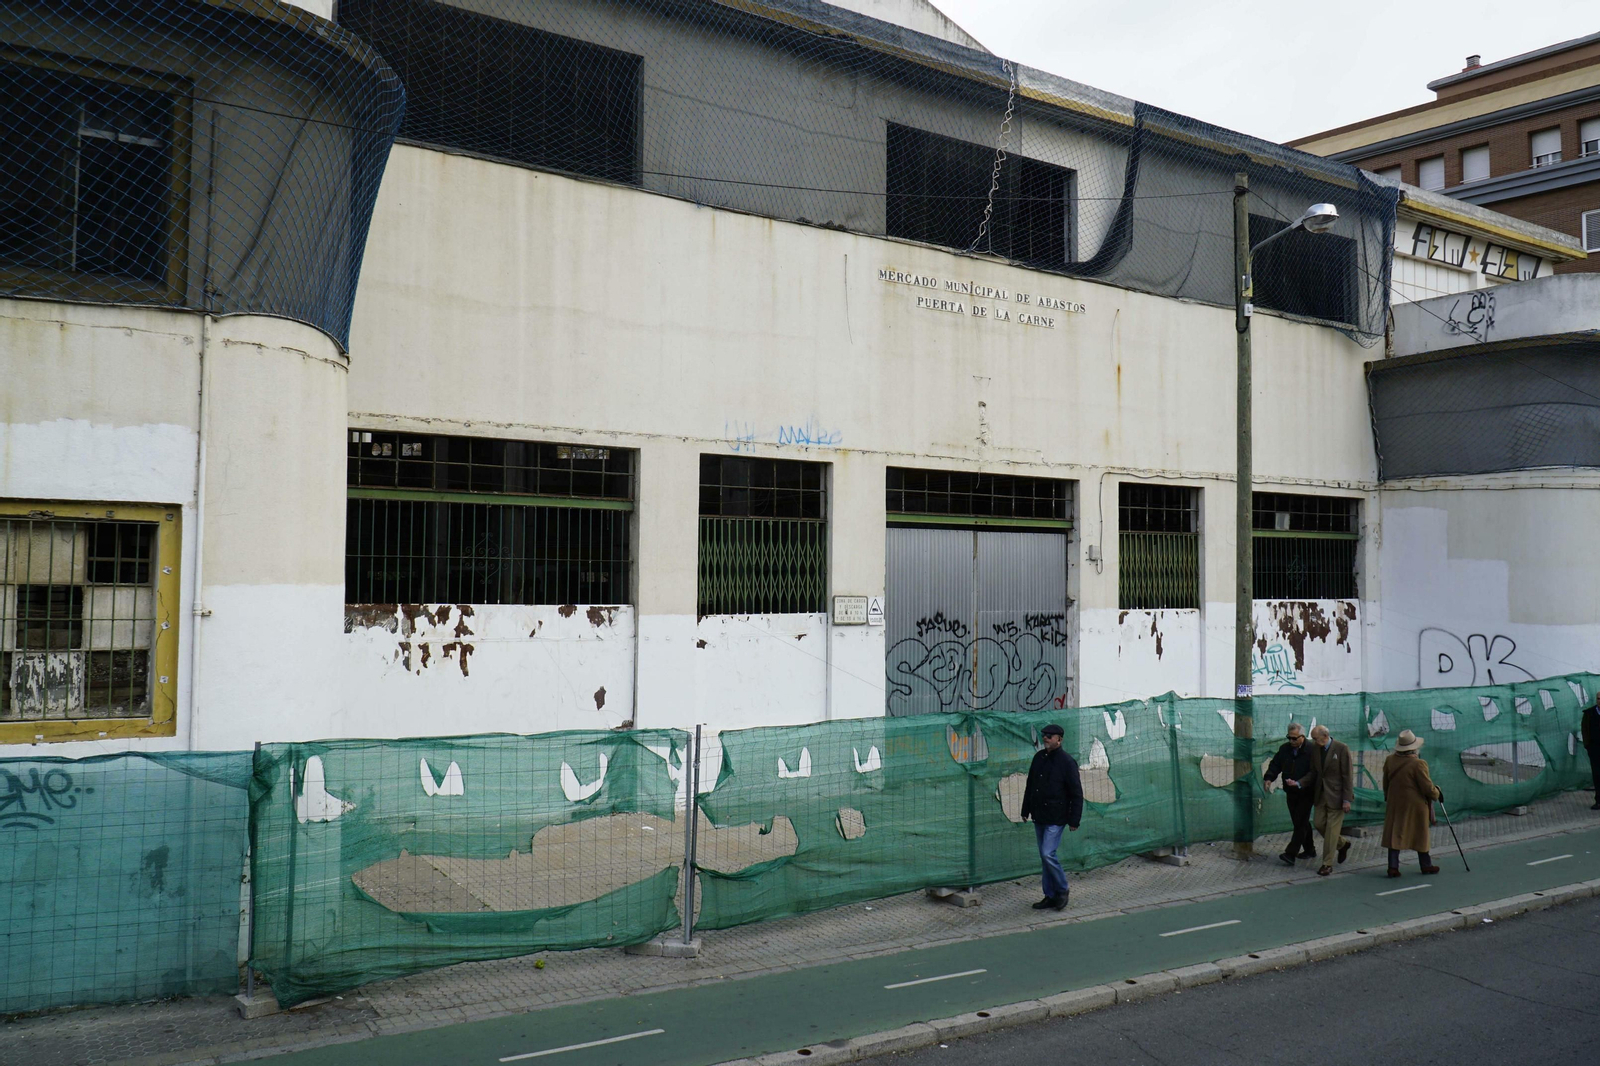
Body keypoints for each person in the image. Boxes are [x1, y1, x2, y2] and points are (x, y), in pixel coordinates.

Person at [1019, 723, 1083, 911]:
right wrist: (1025, 809)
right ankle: (1050, 895)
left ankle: (1062, 889)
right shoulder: (1038, 758)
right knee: (1044, 856)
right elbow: (1030, 785)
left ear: (1059, 739)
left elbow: (1076, 793)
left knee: (1048, 853)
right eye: (1044, 734)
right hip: (1039, 815)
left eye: (1049, 736)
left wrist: (1074, 819)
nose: (1045, 738)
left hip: (1056, 816)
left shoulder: (1067, 762)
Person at [1381, 730, 1442, 877]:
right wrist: (1437, 793)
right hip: (1415, 805)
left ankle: (1393, 866)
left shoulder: (1390, 760)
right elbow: (1426, 786)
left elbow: (1385, 782)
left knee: (1395, 833)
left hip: (1396, 803)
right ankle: (1426, 865)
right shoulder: (1418, 764)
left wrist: (1387, 797)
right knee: (1420, 834)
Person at [1263, 722, 1317, 865]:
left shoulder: (1312, 750)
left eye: (1294, 738)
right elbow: (1276, 764)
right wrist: (1269, 778)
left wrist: (1300, 783)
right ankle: (1310, 849)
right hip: (1291, 791)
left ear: (1303, 736)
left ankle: (1290, 854)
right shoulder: (1285, 749)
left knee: (1300, 822)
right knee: (1299, 821)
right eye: (1289, 738)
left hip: (1307, 791)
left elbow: (1314, 772)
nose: (1291, 741)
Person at [1308, 724, 1353, 877]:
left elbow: (1347, 775)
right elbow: (1313, 772)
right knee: (1319, 823)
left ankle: (1327, 864)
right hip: (1321, 795)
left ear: (1325, 736)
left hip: (1337, 796)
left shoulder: (1341, 748)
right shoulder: (1315, 749)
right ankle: (1342, 844)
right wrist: (1300, 783)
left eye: (1316, 738)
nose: (1314, 741)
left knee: (1331, 832)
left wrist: (1346, 799)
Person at [1582, 693, 1600, 811]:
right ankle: (1598, 801)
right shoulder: (1589, 713)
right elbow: (1584, 729)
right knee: (1597, 775)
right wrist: (1588, 746)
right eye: (1598, 698)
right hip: (1595, 749)